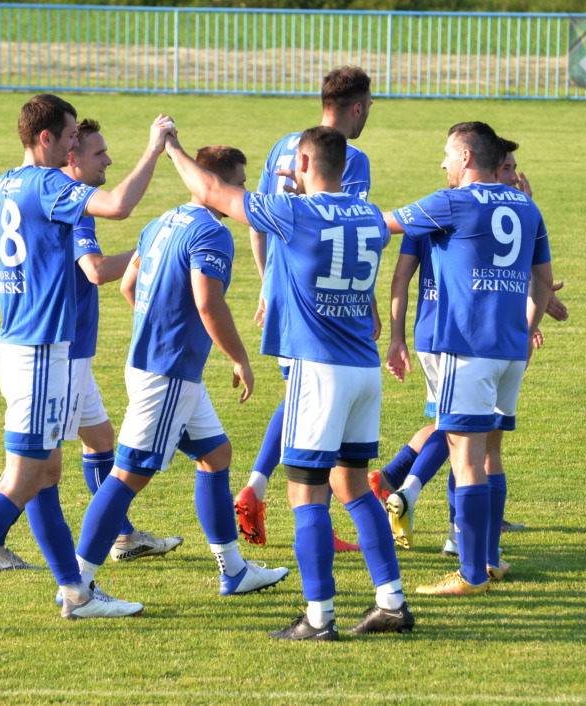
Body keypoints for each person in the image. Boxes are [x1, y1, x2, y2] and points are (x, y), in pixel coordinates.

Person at [0, 94, 175, 633]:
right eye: (71, 136)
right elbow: (118, 205)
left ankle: (76, 592)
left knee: (46, 473)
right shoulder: (48, 184)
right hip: (39, 354)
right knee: (21, 479)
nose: (75, 144)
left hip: (20, 347)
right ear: (46, 139)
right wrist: (154, 149)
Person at [165, 125, 413, 640]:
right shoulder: (370, 215)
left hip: (318, 371)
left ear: (301, 163)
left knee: (306, 495)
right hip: (363, 370)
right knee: (353, 487)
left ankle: (319, 617)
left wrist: (170, 146)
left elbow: (212, 190)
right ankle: (391, 602)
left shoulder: (294, 212)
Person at [69, 145, 289, 602]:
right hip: (168, 374)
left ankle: (234, 571)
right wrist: (239, 358)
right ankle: (77, 586)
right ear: (217, 184)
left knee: (216, 454)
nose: (242, 193)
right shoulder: (213, 232)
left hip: (159, 367)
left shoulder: (161, 221)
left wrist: (159, 323)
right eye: (239, 184)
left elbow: (128, 285)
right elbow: (208, 303)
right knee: (128, 476)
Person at [0, 119, 183, 572]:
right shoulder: (67, 204)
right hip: (59, 352)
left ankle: (122, 536)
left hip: (69, 350)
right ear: (69, 155)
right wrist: (151, 249)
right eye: (98, 153)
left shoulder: (54, 197)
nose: (108, 160)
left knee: (98, 439)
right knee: (38, 466)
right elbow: (95, 270)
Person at [372, 137, 568, 553]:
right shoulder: (526, 207)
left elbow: (382, 226)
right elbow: (542, 279)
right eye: (509, 166)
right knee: (485, 446)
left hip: (465, 344)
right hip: (508, 346)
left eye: (446, 154)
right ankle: (477, 545)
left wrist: (321, 206)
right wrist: (528, 326)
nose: (442, 163)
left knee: (465, 452)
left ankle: (466, 551)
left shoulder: (448, 203)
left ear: (466, 156)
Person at [234, 66, 374, 552]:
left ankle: (257, 487)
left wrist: (267, 283)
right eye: (369, 107)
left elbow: (258, 224)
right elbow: (347, 237)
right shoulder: (351, 158)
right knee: (321, 407)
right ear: (356, 106)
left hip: (285, 289)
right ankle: (276, 500)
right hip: (322, 302)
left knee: (301, 396)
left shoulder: (283, 146)